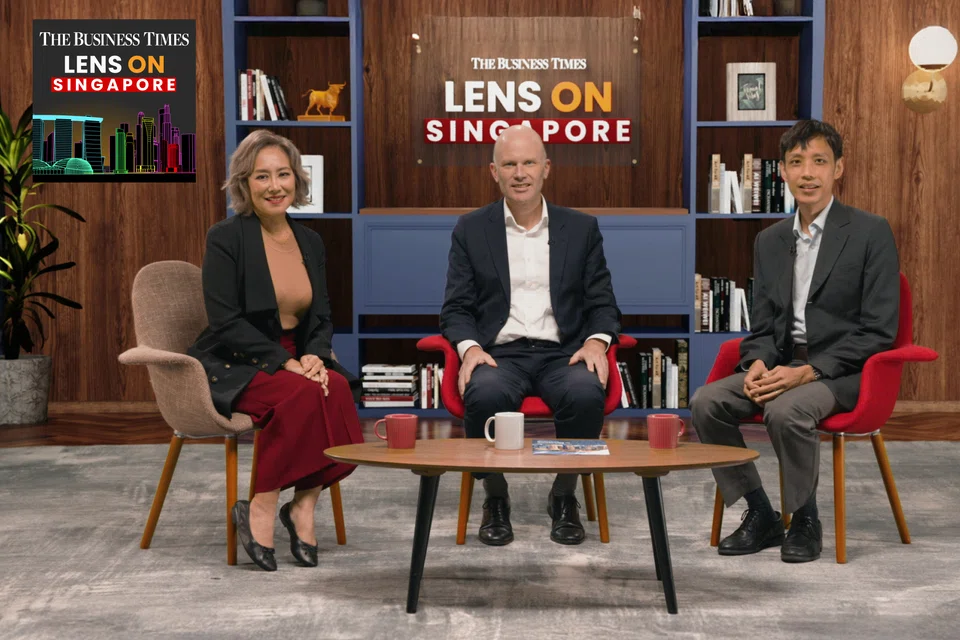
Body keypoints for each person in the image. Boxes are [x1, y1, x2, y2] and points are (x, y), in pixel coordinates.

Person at [690, 120, 900, 563]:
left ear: (838, 169)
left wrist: (809, 371)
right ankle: (760, 513)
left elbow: (879, 330)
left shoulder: (869, 232)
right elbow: (763, 328)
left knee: (787, 410)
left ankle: (804, 517)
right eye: (796, 162)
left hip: (843, 372)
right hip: (783, 365)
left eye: (819, 162)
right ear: (782, 172)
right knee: (707, 402)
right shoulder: (770, 240)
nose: (808, 173)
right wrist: (757, 366)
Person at [188, 129, 363, 572]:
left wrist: (314, 357)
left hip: (293, 356)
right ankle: (262, 505)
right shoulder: (226, 238)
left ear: (297, 180)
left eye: (283, 174)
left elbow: (321, 316)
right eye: (261, 176)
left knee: (338, 390)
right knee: (303, 394)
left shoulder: (310, 241)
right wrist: (285, 362)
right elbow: (226, 322)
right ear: (244, 184)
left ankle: (303, 505)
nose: (274, 186)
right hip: (237, 359)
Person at [440, 125, 621, 546]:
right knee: (483, 394)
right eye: (509, 164)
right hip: (500, 354)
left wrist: (596, 342)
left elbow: (603, 303)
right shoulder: (470, 229)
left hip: (564, 353)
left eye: (528, 163)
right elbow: (456, 308)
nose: (519, 173)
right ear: (494, 172)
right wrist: (468, 350)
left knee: (584, 393)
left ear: (546, 169)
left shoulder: (581, 228)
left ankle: (563, 495)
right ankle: (495, 496)